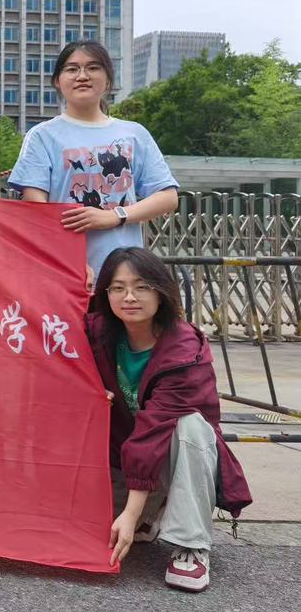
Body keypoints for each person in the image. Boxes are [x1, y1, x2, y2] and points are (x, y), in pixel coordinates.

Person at [87, 247, 251, 591]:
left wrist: (130, 513)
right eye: (118, 287)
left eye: (141, 287)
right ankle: (150, 517)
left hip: (167, 460)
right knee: (97, 533)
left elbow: (152, 434)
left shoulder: (184, 349)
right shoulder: (97, 332)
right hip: (118, 461)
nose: (129, 297)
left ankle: (191, 544)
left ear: (161, 292)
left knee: (190, 425)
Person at [8, 41, 178, 285]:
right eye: (72, 69)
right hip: (65, 272)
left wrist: (115, 216)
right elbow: (36, 207)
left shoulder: (134, 134)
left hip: (124, 276)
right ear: (57, 81)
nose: (82, 76)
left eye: (93, 68)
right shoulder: (42, 136)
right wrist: (69, 260)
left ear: (108, 81)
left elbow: (168, 197)